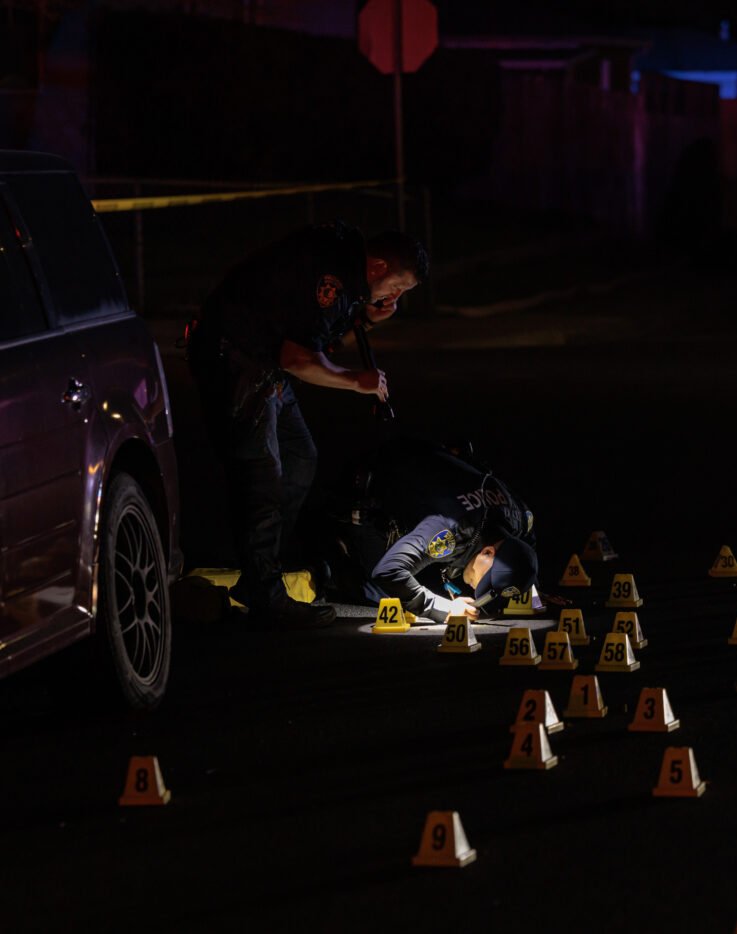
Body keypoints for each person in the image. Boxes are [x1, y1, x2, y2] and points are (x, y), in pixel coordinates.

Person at [188, 221, 428, 629]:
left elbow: (313, 332)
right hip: (237, 361)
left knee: (300, 457)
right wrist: (357, 381)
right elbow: (298, 359)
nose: (395, 299)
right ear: (379, 266)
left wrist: (368, 313)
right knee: (264, 473)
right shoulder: (332, 277)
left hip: (263, 366)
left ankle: (261, 571)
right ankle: (265, 594)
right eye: (397, 287)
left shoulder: (348, 270)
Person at [313, 438, 540, 621]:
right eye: (485, 579)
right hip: (370, 484)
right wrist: (445, 609)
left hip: (432, 459)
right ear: (487, 552)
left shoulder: (520, 518)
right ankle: (325, 561)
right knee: (385, 595)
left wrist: (531, 588)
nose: (479, 586)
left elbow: (526, 548)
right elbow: (389, 571)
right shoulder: (448, 534)